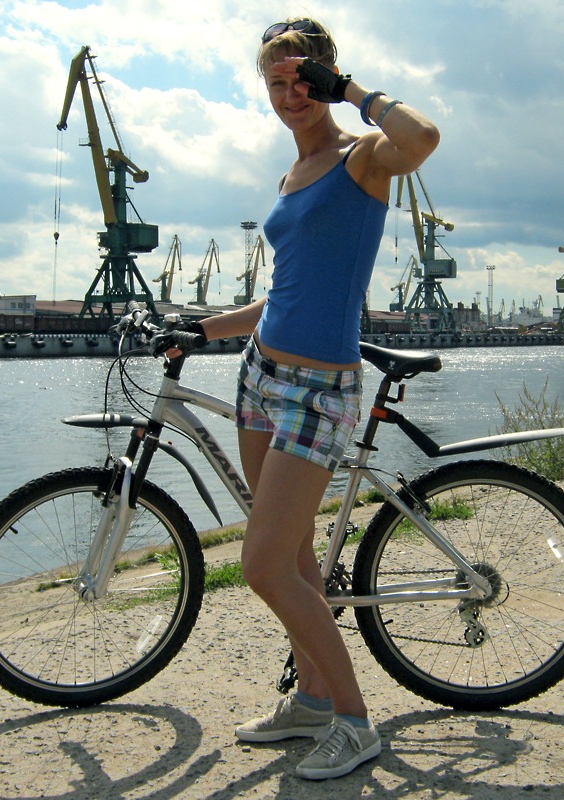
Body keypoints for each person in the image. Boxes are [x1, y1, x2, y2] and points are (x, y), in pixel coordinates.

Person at [175, 18, 439, 780]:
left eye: (303, 79)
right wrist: (200, 328)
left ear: (323, 77)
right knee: (291, 556)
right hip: (260, 376)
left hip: (319, 390)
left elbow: (423, 137)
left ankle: (355, 724)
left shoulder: (364, 159)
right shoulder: (292, 174)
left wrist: (350, 90)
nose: (290, 95)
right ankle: (314, 701)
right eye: (276, 84)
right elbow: (284, 294)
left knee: (261, 566)